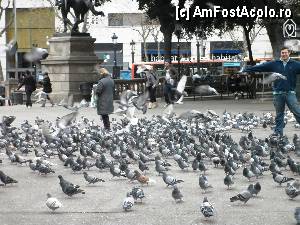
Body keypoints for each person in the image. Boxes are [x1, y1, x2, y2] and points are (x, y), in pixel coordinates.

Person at [243, 47, 300, 136]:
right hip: (278, 94)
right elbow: (261, 67)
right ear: (280, 53)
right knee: (279, 114)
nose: (284, 54)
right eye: (282, 53)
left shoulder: (295, 64)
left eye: (285, 53)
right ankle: (278, 132)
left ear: (289, 53)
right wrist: (247, 69)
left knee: (297, 111)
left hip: (290, 93)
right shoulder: (275, 63)